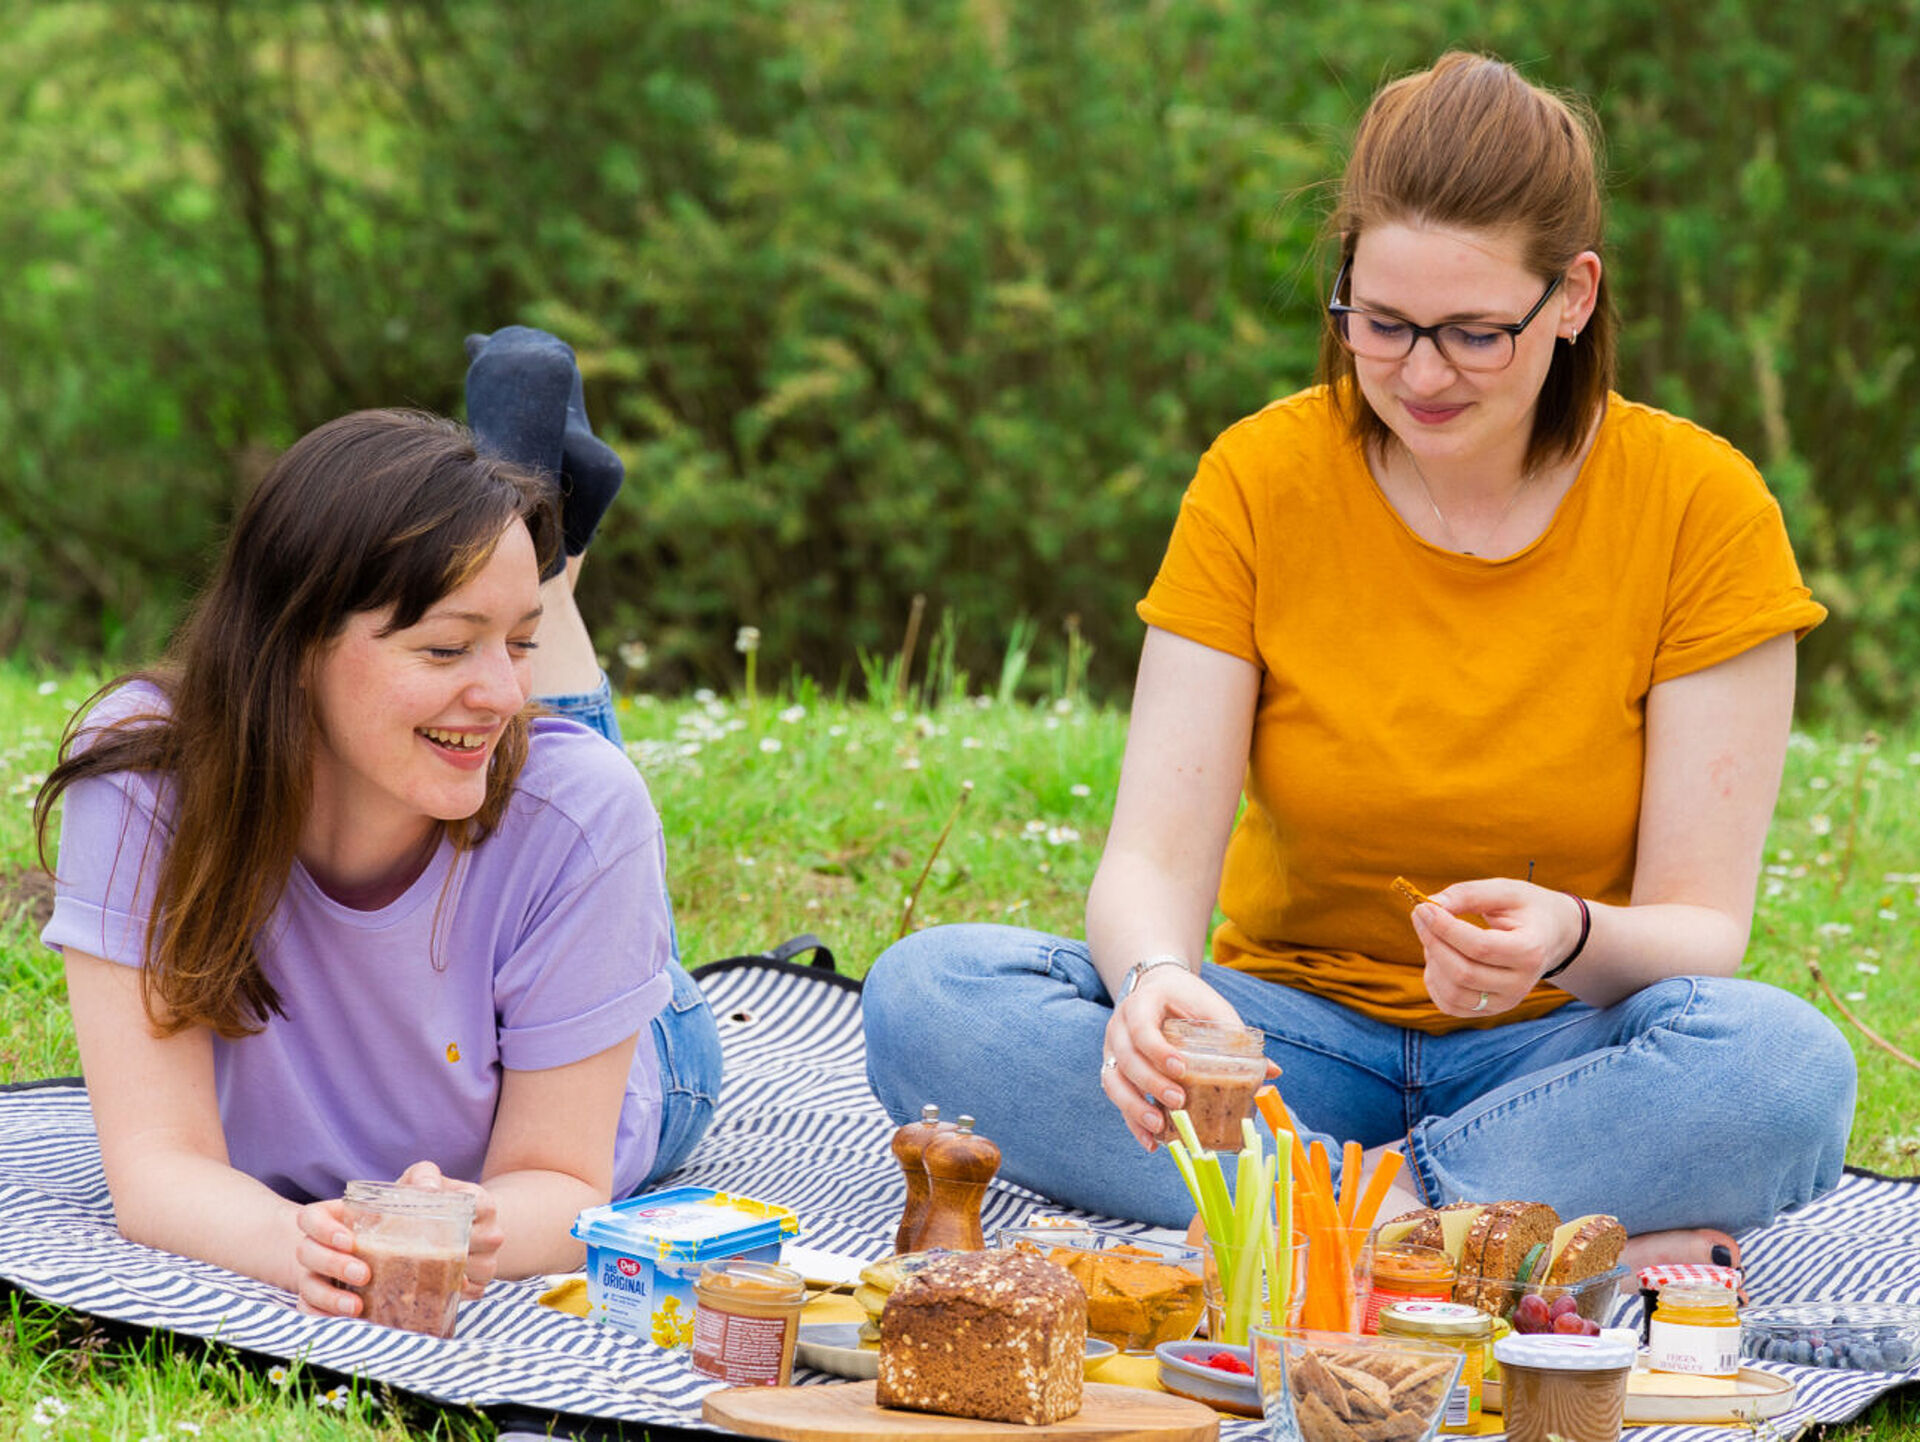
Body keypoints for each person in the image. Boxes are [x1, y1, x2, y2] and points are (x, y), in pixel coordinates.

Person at [861, 53, 1856, 1265]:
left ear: (1575, 296)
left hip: (1561, 1046)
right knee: (931, 993)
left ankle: (1324, 1215)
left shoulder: (1703, 506)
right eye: (1381, 323)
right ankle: (1482, 1229)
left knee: (1780, 1066)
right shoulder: (1260, 477)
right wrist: (1159, 980)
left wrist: (1568, 932)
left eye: (1476, 333)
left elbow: (1700, 928)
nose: (1422, 374)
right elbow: (1150, 860)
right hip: (1280, 1043)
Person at [35, 332, 721, 1319]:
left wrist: (481, 1219)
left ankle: (540, 571)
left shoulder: (582, 815)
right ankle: (530, 561)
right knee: (536, 760)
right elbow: (155, 1168)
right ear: (294, 640)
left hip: (641, 1047)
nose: (498, 689)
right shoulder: (147, 777)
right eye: (447, 643)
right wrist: (297, 1243)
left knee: (568, 780)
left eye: (518, 644)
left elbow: (564, 1182)